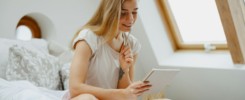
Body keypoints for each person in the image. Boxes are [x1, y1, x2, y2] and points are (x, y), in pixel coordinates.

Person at [66, 0, 152, 100]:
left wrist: (124, 70)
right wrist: (120, 93)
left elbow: (125, 94)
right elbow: (75, 89)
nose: (131, 19)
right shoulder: (88, 38)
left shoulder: (132, 44)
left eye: (134, 12)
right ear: (109, 12)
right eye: (123, 13)